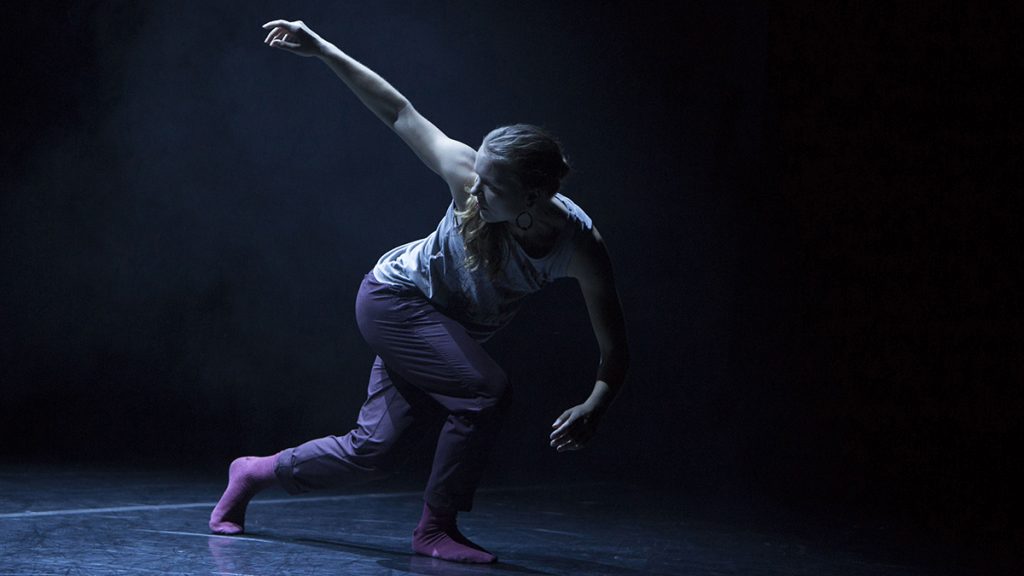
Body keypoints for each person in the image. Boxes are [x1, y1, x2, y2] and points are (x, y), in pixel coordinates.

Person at [209, 19, 630, 564]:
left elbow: (615, 346)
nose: (476, 189)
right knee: (485, 392)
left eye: (493, 187)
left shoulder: (579, 246)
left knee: (374, 452)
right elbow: (398, 111)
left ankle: (252, 472)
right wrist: (321, 47)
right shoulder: (467, 173)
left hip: (437, 331)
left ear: (535, 195)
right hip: (393, 300)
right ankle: (435, 529)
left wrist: (597, 402)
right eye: (477, 175)